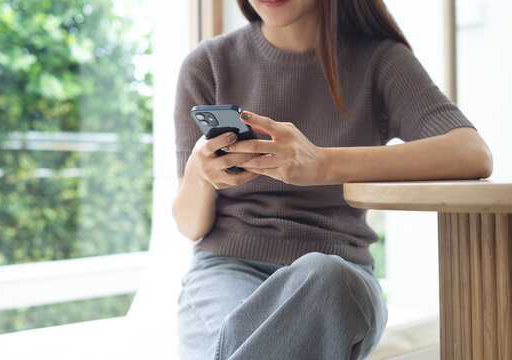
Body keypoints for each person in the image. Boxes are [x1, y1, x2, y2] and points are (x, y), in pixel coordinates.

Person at [172, 0, 493, 359]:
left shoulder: (379, 61)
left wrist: (322, 164)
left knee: (326, 276)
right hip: (227, 269)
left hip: (340, 277)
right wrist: (199, 175)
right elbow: (189, 225)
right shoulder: (208, 64)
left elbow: (472, 153)